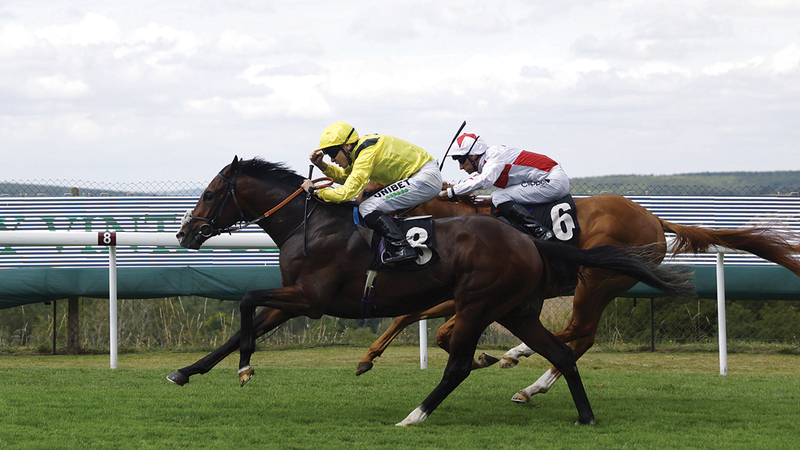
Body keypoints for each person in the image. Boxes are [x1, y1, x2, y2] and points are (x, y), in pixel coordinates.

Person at [301, 122, 442, 263]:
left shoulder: (366, 154)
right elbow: (346, 178)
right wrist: (321, 165)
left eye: (332, 153)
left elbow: (347, 193)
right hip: (422, 177)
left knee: (367, 207)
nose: (332, 159)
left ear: (347, 146)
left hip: (424, 178)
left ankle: (403, 247)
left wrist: (315, 192)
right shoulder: (360, 151)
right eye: (327, 154)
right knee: (369, 206)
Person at [439, 133, 569, 240]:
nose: (461, 167)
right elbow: (475, 179)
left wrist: (451, 193)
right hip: (548, 180)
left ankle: (540, 232)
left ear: (473, 155)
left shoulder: (494, 156)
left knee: (499, 196)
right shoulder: (486, 162)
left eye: (461, 160)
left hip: (553, 181)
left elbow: (484, 180)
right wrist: (446, 190)